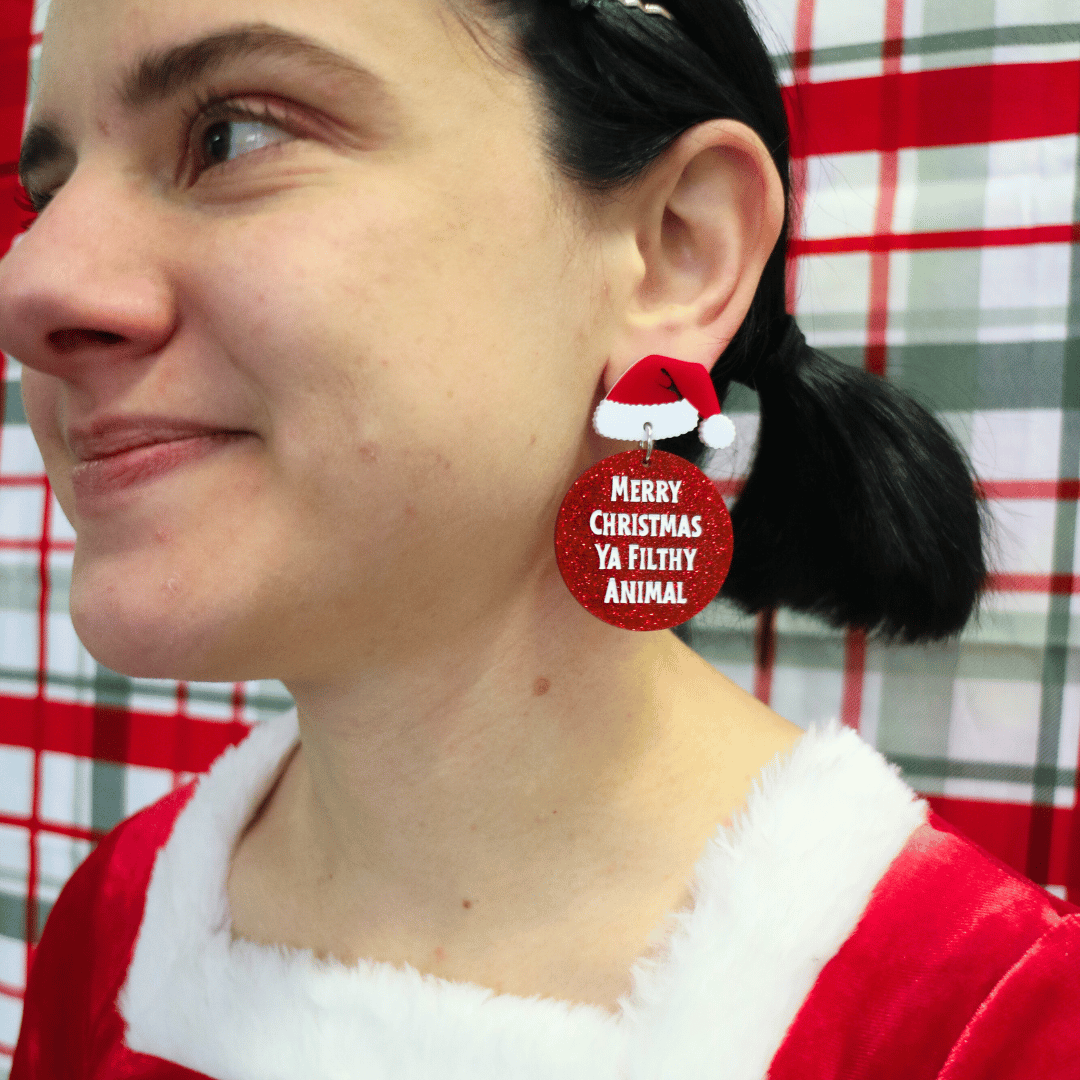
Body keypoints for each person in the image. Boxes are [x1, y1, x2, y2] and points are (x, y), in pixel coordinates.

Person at [1, 0, 1077, 1075]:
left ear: (674, 252)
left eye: (233, 135)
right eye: (46, 197)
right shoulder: (114, 929)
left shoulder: (995, 1032)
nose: (32, 285)